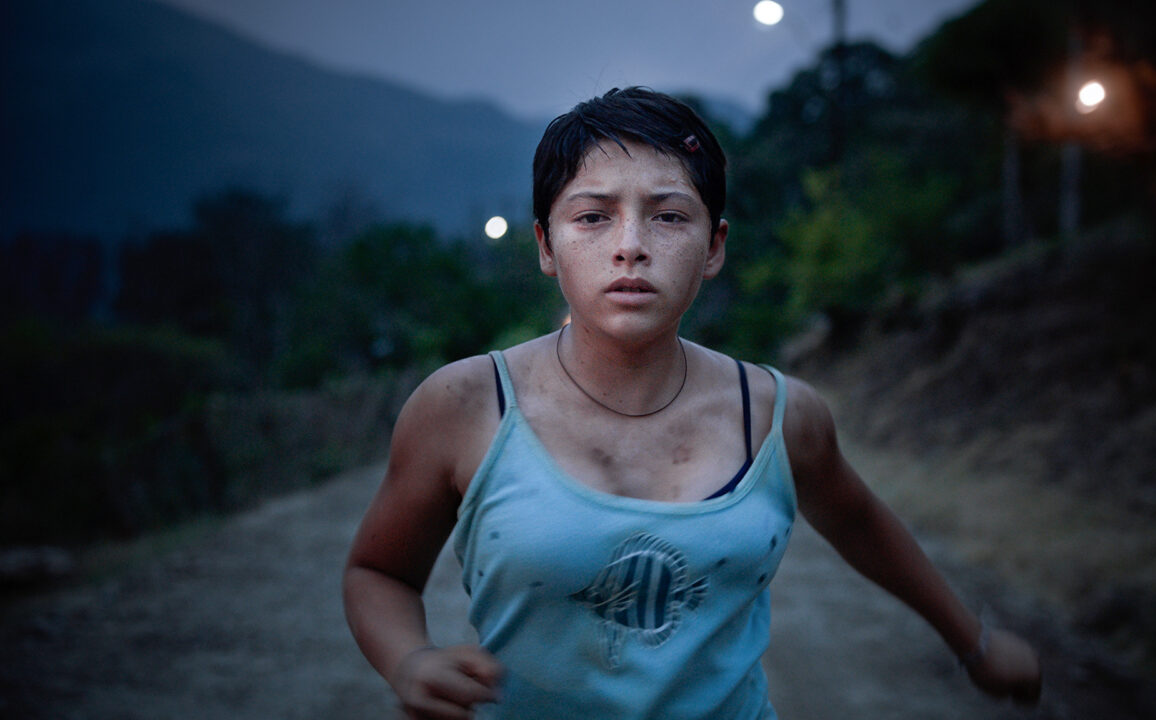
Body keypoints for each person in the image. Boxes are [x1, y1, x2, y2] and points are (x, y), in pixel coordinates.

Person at [343, 87, 1042, 719]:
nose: (630, 247)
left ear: (714, 247)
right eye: (592, 216)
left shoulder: (779, 415)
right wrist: (408, 660)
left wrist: (974, 642)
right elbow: (378, 572)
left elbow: (861, 524)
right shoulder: (465, 404)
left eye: (669, 216)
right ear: (545, 246)